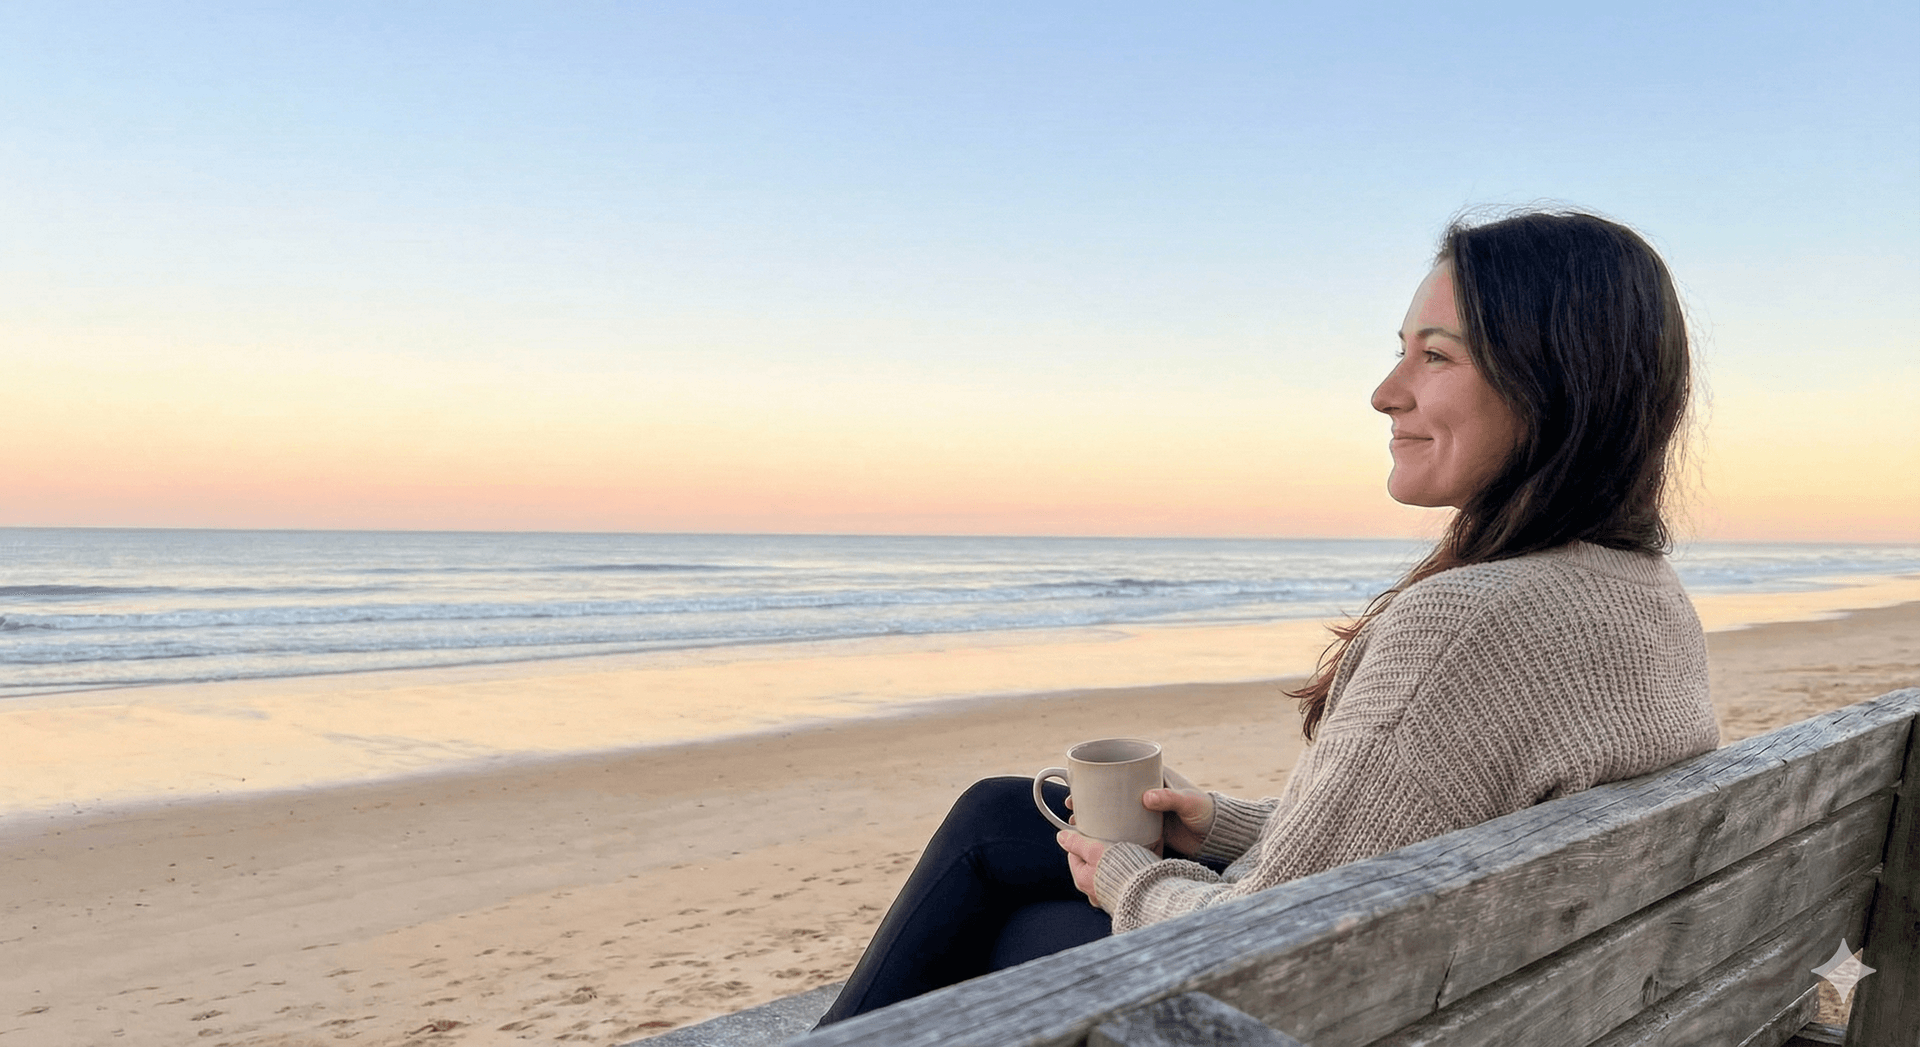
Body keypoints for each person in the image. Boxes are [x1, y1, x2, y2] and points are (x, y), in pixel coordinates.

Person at [814, 209, 1721, 1026]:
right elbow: (1423, 827)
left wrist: (1133, 882)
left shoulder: (1469, 626)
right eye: (1400, 347)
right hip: (1517, 990)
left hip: (1344, 1011)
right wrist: (1220, 827)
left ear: (1556, 384)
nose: (1385, 390)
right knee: (1005, 815)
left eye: (1435, 355)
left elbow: (1281, 940)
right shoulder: (1642, 593)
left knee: (1011, 937)